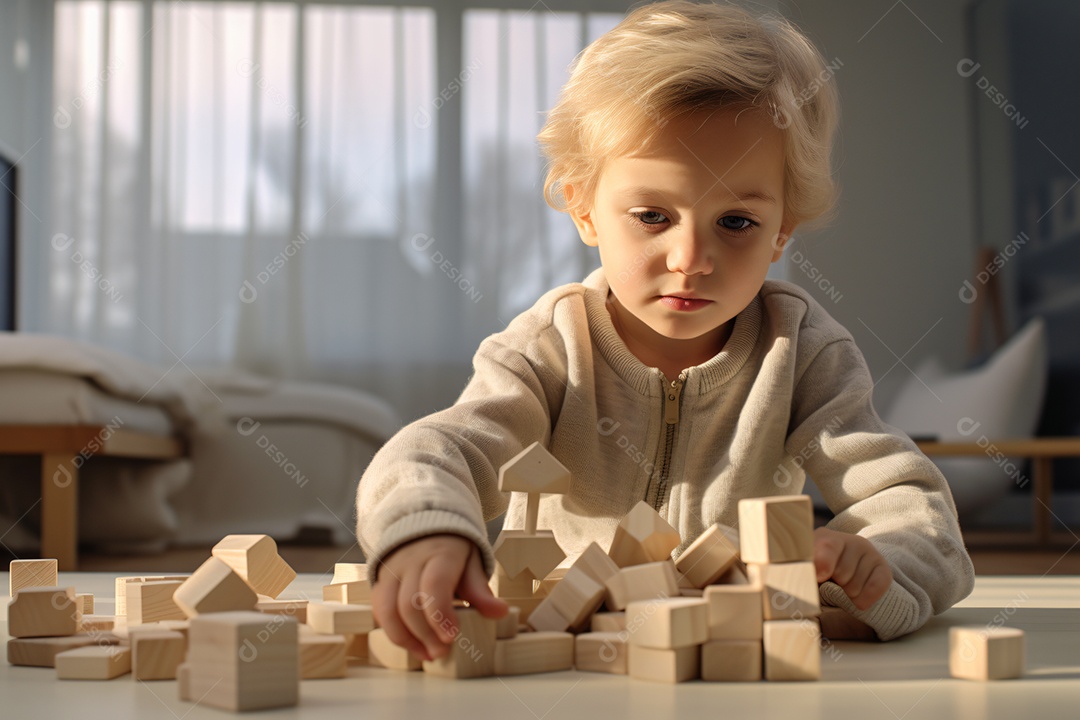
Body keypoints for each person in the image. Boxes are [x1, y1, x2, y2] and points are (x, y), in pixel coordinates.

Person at [356, 0, 974, 661]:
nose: (692, 259)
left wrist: (875, 566)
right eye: (652, 216)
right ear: (584, 208)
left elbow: (913, 509)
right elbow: (439, 450)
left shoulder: (800, 351)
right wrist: (425, 529)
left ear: (782, 232)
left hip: (729, 659)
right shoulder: (551, 345)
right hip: (577, 652)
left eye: (736, 223)